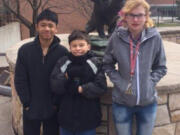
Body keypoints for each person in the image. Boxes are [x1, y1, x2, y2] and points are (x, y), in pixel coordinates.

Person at [103, 0, 167, 135]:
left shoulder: (155, 38)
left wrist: (149, 83)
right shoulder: (117, 37)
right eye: (131, 15)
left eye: (140, 15)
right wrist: (120, 82)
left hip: (147, 103)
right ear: (125, 17)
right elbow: (107, 64)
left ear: (146, 17)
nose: (136, 19)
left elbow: (161, 67)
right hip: (122, 102)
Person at [14, 9, 68, 135]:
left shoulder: (63, 52)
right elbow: (20, 79)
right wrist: (26, 103)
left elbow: (64, 80)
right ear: (37, 27)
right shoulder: (25, 51)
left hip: (53, 107)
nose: (47, 29)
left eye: (51, 26)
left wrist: (56, 103)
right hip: (31, 106)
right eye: (43, 25)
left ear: (56, 29)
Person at [50, 30, 107, 135]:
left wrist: (81, 89)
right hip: (66, 116)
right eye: (74, 46)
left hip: (88, 117)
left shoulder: (96, 63)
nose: (78, 48)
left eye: (81, 45)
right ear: (70, 47)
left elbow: (101, 86)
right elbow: (54, 83)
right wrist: (66, 81)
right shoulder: (63, 61)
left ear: (88, 46)